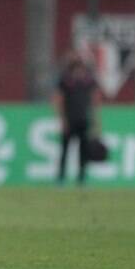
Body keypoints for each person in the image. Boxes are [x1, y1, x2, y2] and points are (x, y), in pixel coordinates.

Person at [52, 50, 101, 185]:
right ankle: (61, 178)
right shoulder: (65, 80)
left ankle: (81, 178)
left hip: (83, 120)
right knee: (65, 150)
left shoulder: (88, 80)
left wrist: (95, 119)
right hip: (70, 120)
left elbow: (95, 100)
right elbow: (58, 99)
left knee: (83, 151)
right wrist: (62, 119)